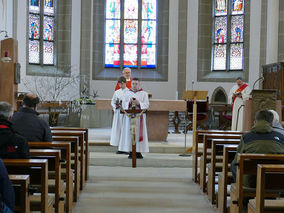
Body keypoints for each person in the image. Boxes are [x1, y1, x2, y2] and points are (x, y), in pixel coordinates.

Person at [231, 110, 284, 212]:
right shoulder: (281, 138)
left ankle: (243, 201)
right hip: (276, 183)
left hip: (251, 183)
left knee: (234, 165)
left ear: (255, 122)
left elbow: (236, 160)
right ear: (272, 123)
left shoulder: (246, 137)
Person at [119, 78, 149, 159]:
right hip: (129, 117)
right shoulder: (126, 93)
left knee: (139, 133)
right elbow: (124, 104)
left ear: (139, 84)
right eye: (133, 84)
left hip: (139, 118)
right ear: (131, 84)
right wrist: (129, 103)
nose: (134, 85)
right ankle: (130, 151)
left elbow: (146, 105)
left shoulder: (144, 94)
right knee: (129, 133)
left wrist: (139, 103)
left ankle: (138, 152)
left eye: (136, 84)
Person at [110, 76, 130, 154]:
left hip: (125, 114)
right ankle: (119, 147)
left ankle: (126, 148)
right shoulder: (117, 92)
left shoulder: (129, 92)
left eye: (122, 84)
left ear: (125, 83)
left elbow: (129, 102)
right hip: (118, 114)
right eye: (119, 84)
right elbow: (113, 101)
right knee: (118, 129)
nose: (121, 85)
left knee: (125, 130)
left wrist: (124, 106)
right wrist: (115, 106)